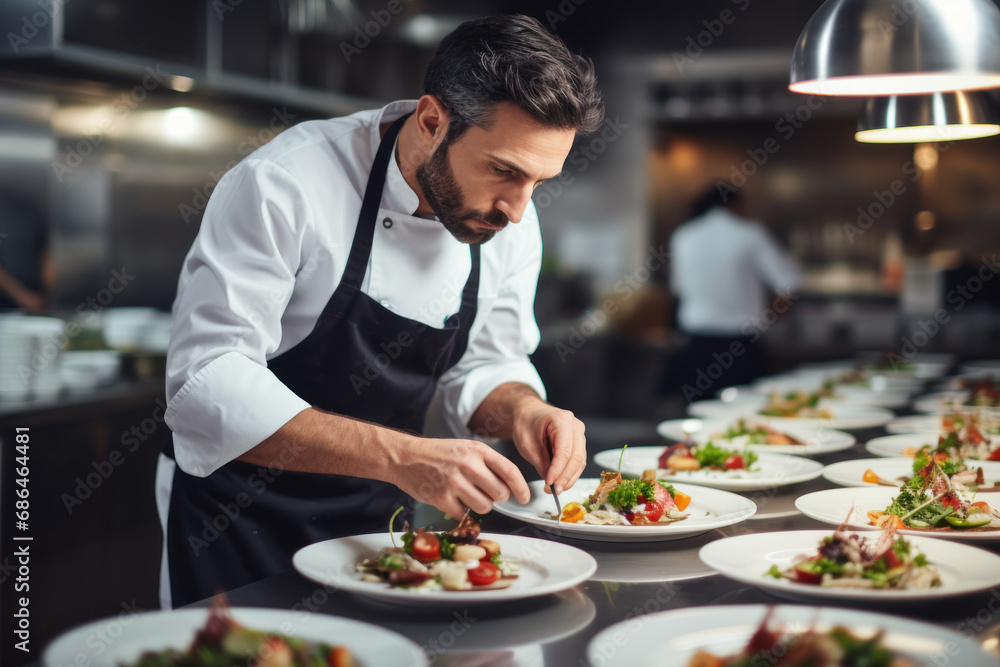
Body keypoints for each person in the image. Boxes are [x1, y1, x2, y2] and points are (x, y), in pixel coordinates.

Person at [157, 15, 602, 608]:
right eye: (504, 171)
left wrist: (524, 408)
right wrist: (402, 456)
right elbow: (206, 385)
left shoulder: (508, 223)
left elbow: (488, 361)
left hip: (374, 525)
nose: (517, 211)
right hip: (236, 520)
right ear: (431, 120)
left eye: (538, 183)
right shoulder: (285, 183)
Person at [665, 186, 800, 399]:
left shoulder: (683, 235)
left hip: (695, 348)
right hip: (740, 349)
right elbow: (789, 284)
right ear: (733, 205)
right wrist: (770, 317)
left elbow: (679, 290)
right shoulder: (751, 234)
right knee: (744, 418)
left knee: (698, 416)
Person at [0, 195, 53, 312]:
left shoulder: (33, 211)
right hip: (6, 301)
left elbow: (46, 258)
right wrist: (23, 296)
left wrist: (45, 294)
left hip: (35, 300)